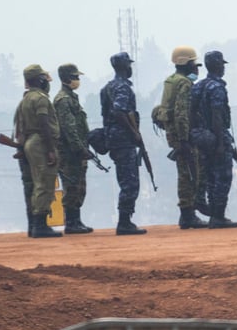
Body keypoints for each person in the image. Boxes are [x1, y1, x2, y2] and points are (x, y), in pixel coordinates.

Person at [190, 50, 237, 229]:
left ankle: (214, 214)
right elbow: (218, 116)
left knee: (210, 175)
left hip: (203, 138)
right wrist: (219, 141)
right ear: (218, 65)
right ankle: (218, 215)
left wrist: (198, 133)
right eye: (222, 64)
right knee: (222, 176)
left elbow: (191, 113)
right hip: (216, 137)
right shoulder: (217, 87)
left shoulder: (198, 86)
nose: (223, 68)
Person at [100, 52, 148, 235]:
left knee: (125, 179)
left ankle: (125, 220)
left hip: (113, 139)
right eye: (128, 65)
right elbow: (119, 112)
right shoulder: (122, 88)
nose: (130, 68)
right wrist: (133, 133)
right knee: (130, 181)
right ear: (123, 66)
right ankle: (124, 222)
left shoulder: (107, 88)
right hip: (123, 140)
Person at [13, 64, 63, 238]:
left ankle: (35, 225)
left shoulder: (25, 99)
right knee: (45, 183)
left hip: (30, 143)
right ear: (40, 80)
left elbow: (19, 127)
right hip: (41, 143)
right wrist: (50, 149)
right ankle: (40, 225)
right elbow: (44, 124)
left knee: (36, 184)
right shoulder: (41, 99)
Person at [161, 46, 207, 229]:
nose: (195, 67)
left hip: (173, 133)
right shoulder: (184, 83)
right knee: (188, 173)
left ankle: (187, 213)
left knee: (184, 171)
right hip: (182, 135)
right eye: (193, 63)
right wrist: (184, 139)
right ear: (185, 62)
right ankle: (188, 214)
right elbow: (181, 112)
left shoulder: (170, 81)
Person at [53, 63, 94, 234]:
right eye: (75, 77)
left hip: (76, 150)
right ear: (66, 78)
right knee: (71, 186)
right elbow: (69, 128)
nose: (77, 80)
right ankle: (71, 222)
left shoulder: (71, 97)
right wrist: (79, 148)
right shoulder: (63, 100)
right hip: (69, 152)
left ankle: (76, 220)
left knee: (78, 186)